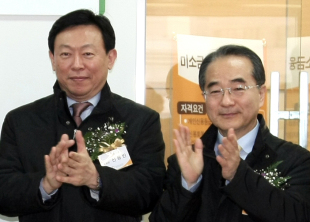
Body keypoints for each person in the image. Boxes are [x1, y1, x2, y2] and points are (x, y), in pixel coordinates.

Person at [0, 9, 165, 222]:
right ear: (52, 59)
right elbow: (3, 193)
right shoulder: (21, 121)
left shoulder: (141, 120)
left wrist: (96, 179)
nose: (77, 64)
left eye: (88, 54)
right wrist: (46, 184)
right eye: (66, 54)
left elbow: (150, 192)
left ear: (110, 58)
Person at [149, 45, 310, 222]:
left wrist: (238, 175)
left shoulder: (297, 161)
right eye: (216, 91)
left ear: (261, 94)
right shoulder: (184, 162)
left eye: (239, 88)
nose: (226, 101)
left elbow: (298, 215)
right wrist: (189, 185)